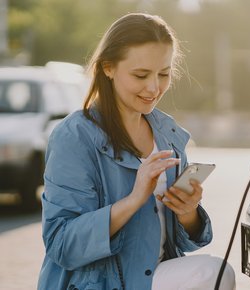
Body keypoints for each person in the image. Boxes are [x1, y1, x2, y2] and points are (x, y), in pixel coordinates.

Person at [38, 12, 235, 290]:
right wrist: (133, 199)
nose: (154, 88)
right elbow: (62, 245)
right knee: (212, 273)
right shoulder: (73, 137)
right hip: (98, 284)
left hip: (154, 278)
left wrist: (187, 212)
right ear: (108, 67)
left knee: (214, 273)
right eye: (141, 75)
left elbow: (184, 242)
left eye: (164, 74)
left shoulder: (168, 134)